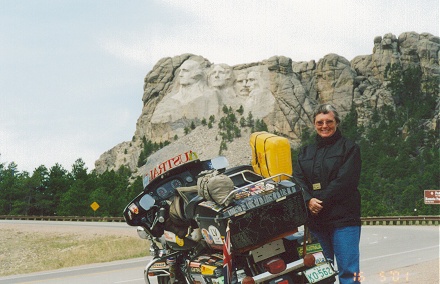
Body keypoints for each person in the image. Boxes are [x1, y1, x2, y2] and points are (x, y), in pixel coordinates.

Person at [293, 104, 362, 284]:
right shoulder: (305, 152)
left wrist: (318, 201)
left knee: (349, 272)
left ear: (337, 122)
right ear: (314, 124)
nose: (325, 126)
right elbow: (297, 181)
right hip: (316, 223)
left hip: (344, 221)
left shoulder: (350, 148)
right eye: (320, 122)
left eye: (329, 122)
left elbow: (345, 181)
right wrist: (308, 201)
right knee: (320, 273)